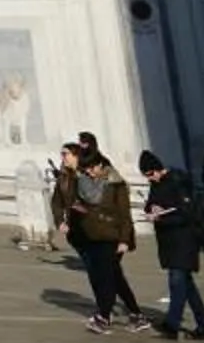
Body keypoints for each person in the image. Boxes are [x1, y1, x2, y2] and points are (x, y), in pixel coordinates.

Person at [63, 140, 152, 333]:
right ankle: (136, 314)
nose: (89, 174)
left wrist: (124, 240)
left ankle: (104, 316)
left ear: (101, 166)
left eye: (91, 170)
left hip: (112, 236)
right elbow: (92, 204)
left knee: (105, 277)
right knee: (116, 277)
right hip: (96, 235)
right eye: (86, 171)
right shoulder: (91, 184)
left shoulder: (115, 185)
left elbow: (124, 214)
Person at [141, 149, 204, 341]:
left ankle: (172, 324)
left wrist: (161, 218)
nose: (150, 179)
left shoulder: (178, 183)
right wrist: (152, 209)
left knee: (176, 282)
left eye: (150, 174)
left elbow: (186, 214)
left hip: (184, 240)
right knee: (187, 287)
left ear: (158, 169)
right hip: (170, 242)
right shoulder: (156, 185)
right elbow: (150, 202)